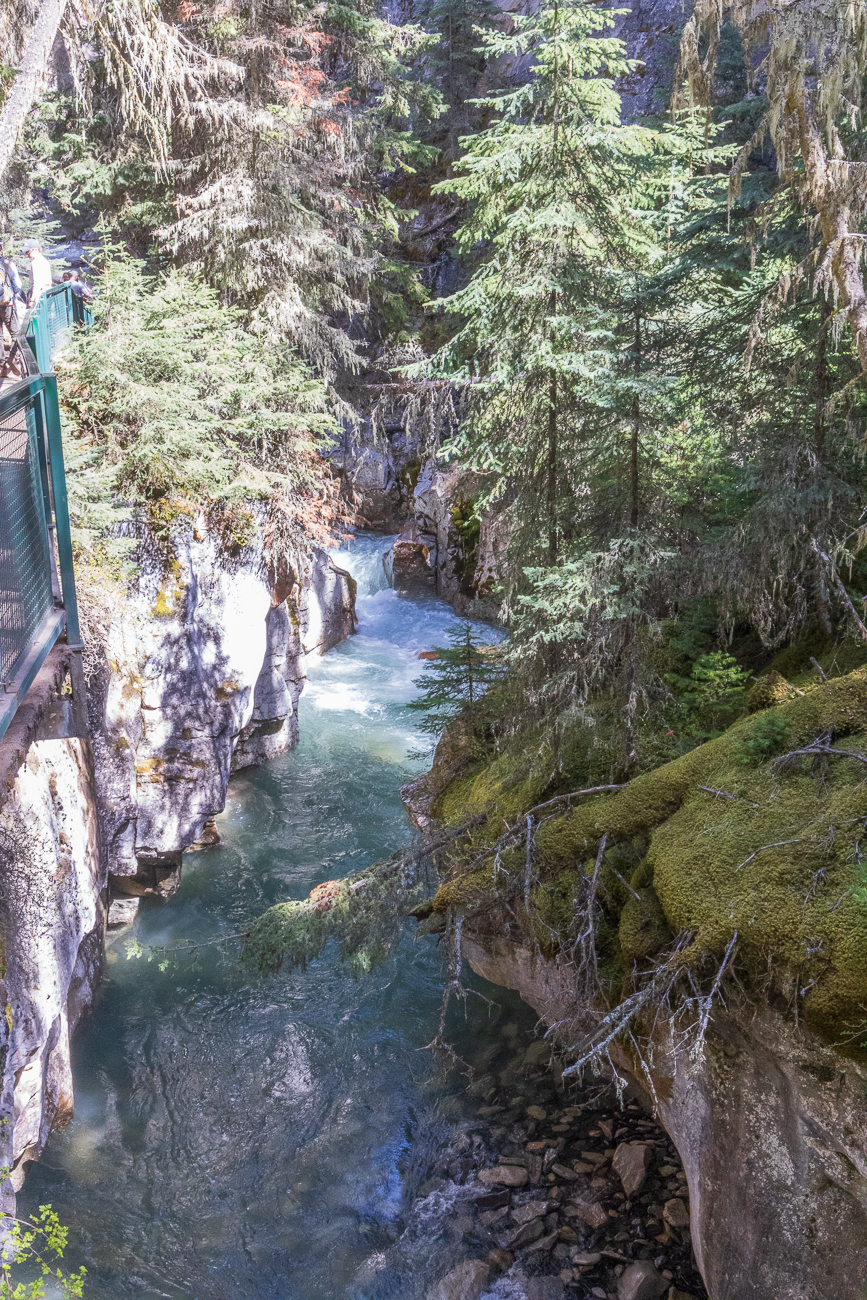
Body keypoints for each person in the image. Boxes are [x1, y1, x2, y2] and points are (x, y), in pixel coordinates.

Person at [22, 240, 53, 306]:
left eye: (28, 251)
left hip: (39, 294)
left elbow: (37, 283)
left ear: (35, 249)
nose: (26, 253)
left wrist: (32, 300)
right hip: (47, 292)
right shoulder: (43, 260)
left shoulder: (36, 262)